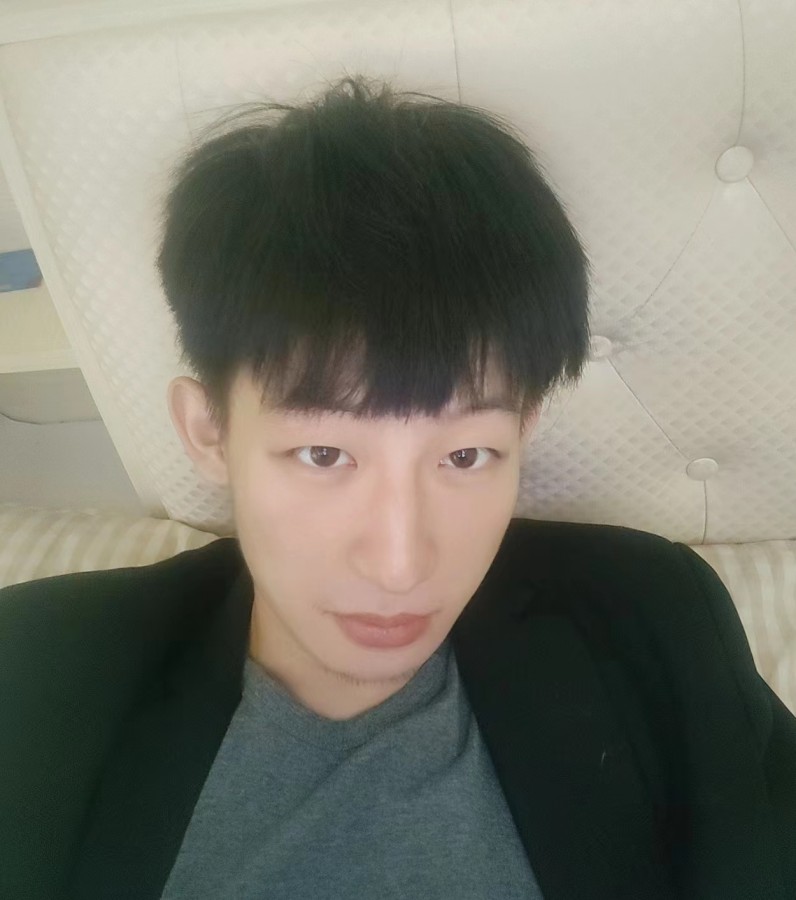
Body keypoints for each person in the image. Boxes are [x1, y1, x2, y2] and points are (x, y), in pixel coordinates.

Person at [1, 73, 794, 900]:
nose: (401, 564)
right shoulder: (39, 672)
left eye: (466, 456)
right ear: (209, 432)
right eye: (323, 454)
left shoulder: (651, 617)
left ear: (524, 432)